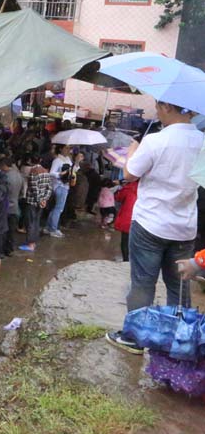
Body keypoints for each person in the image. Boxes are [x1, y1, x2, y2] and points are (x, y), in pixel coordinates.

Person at [107, 102, 204, 354]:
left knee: (142, 283)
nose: (156, 110)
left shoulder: (155, 141)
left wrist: (132, 151)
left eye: (158, 105)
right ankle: (179, 341)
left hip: (150, 223)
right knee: (179, 284)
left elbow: (129, 174)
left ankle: (134, 339)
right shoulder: (202, 142)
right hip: (184, 227)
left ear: (167, 107)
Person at [20, 159, 52, 252]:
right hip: (41, 203)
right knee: (36, 222)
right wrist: (44, 199)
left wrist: (39, 200)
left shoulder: (34, 171)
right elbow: (49, 188)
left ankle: (31, 244)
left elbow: (34, 189)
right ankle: (34, 242)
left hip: (32, 202)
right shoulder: (46, 172)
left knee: (30, 223)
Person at [0, 157, 24, 256]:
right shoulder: (19, 176)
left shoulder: (4, 177)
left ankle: (1, 250)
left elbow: (1, 193)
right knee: (11, 230)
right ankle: (10, 249)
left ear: (5, 166)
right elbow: (22, 192)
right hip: (15, 207)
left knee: (2, 230)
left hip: (5, 207)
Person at [113, 180, 139, 262]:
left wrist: (120, 188)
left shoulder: (128, 188)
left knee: (125, 241)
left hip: (128, 218)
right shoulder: (147, 188)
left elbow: (118, 198)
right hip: (141, 219)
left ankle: (126, 260)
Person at [44, 164, 71, 238]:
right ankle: (53, 229)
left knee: (54, 209)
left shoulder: (60, 176)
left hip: (57, 188)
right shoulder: (67, 177)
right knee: (58, 210)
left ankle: (48, 227)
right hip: (62, 189)